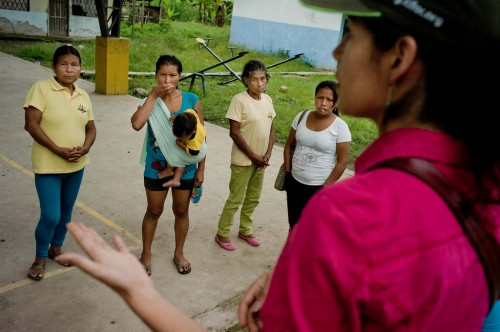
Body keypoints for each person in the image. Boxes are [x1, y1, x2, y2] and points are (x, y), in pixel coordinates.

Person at [56, 0, 500, 330]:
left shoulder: (348, 218)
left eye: (350, 35)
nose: (339, 52)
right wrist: (298, 273)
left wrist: (139, 292)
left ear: (399, 58)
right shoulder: (484, 191)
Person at [23, 44, 96, 281]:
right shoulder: (41, 89)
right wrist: (57, 149)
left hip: (76, 166)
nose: (69, 69)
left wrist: (85, 147)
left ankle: (56, 248)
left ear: (80, 68)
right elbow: (31, 124)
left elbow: (91, 128)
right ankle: (40, 257)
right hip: (48, 166)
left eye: (74, 64)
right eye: (63, 64)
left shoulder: (83, 95)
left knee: (66, 212)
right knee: (51, 215)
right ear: (54, 66)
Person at [131, 54, 206, 275]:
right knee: (153, 210)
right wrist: (153, 96)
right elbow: (136, 124)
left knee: (181, 210)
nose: (167, 79)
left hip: (186, 167)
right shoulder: (152, 101)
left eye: (172, 75)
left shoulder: (192, 100)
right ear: (156, 75)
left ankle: (179, 253)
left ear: (179, 76)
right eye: (162, 74)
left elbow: (201, 137)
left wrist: (201, 169)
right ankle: (146, 254)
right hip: (156, 166)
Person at [214, 59, 276, 251]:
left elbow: (271, 128)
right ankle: (222, 233)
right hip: (243, 160)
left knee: (253, 198)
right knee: (236, 198)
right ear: (246, 80)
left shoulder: (267, 100)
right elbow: (234, 132)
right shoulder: (239, 100)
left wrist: (267, 154)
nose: (259, 83)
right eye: (255, 79)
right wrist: (253, 156)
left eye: (263, 79)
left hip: (261, 161)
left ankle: (245, 230)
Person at [283, 80, 351, 230]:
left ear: (336, 103)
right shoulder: (301, 116)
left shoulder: (340, 127)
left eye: (329, 100)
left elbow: (343, 161)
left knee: (311, 230)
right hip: (294, 182)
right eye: (320, 98)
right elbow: (289, 145)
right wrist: (288, 174)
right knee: (294, 226)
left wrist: (325, 187)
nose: (323, 103)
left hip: (318, 188)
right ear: (315, 97)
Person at [158, 109, 207, 188]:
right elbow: (194, 111)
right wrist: (177, 118)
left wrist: (181, 144)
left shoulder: (195, 141)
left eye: (182, 138)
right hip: (198, 145)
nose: (178, 138)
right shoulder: (190, 115)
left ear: (193, 132)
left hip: (198, 152)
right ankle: (176, 180)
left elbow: (193, 152)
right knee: (182, 158)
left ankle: (169, 170)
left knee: (175, 155)